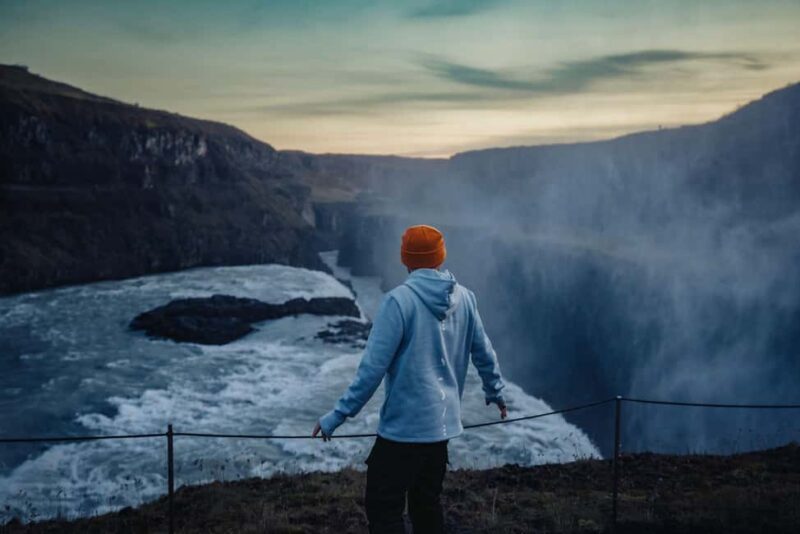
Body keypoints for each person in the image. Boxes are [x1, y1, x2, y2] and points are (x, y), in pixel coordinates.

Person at [312, 224, 508, 534]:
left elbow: (371, 371)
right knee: (426, 505)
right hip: (441, 428)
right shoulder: (466, 298)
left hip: (404, 432)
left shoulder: (398, 302)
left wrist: (336, 416)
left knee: (383, 508)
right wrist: (495, 391)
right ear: (440, 257)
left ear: (406, 259)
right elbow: (483, 352)